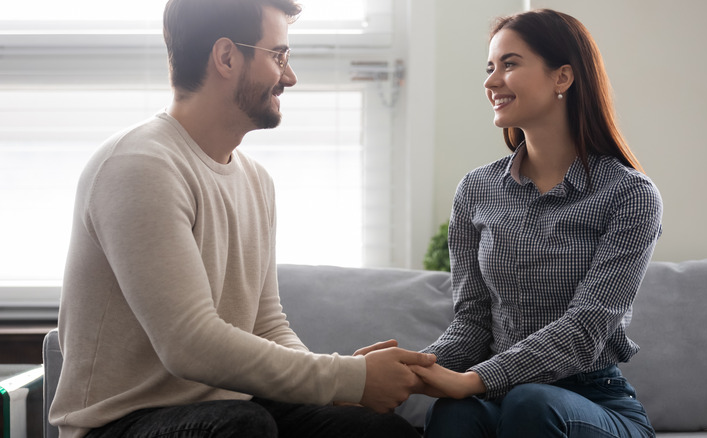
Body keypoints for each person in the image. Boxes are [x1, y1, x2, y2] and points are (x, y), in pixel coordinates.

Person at [49, 0, 435, 437]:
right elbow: (189, 344)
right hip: (120, 424)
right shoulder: (140, 165)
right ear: (227, 56)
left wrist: (333, 390)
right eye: (279, 56)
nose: (290, 76)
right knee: (244, 427)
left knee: (375, 430)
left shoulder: (256, 180)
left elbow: (266, 324)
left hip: (227, 407)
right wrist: (347, 377)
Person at [409, 8, 663, 438]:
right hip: (504, 398)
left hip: (593, 400)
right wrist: (411, 370)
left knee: (531, 403)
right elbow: (472, 323)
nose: (491, 82)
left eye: (509, 64)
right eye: (490, 68)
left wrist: (475, 380)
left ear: (562, 77)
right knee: (455, 414)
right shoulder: (476, 190)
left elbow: (585, 329)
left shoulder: (629, 195)